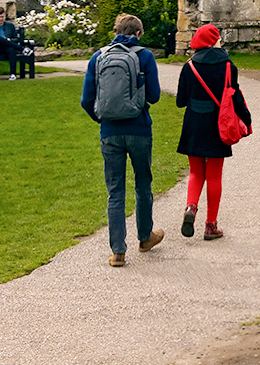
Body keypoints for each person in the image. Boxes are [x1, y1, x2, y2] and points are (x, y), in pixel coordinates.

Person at [81, 14, 164, 267]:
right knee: (143, 184)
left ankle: (118, 251)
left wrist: (103, 119)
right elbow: (155, 95)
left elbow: (86, 100)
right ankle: (145, 237)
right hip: (139, 129)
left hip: (110, 132)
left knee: (115, 190)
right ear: (138, 34)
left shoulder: (98, 57)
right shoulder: (145, 56)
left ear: (116, 31)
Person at [176, 23, 251, 241]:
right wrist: (246, 119)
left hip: (194, 123)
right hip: (219, 124)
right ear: (214, 41)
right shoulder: (228, 66)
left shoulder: (189, 66)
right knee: (214, 174)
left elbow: (181, 101)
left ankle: (191, 207)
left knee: (195, 171)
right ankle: (211, 225)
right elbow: (235, 96)